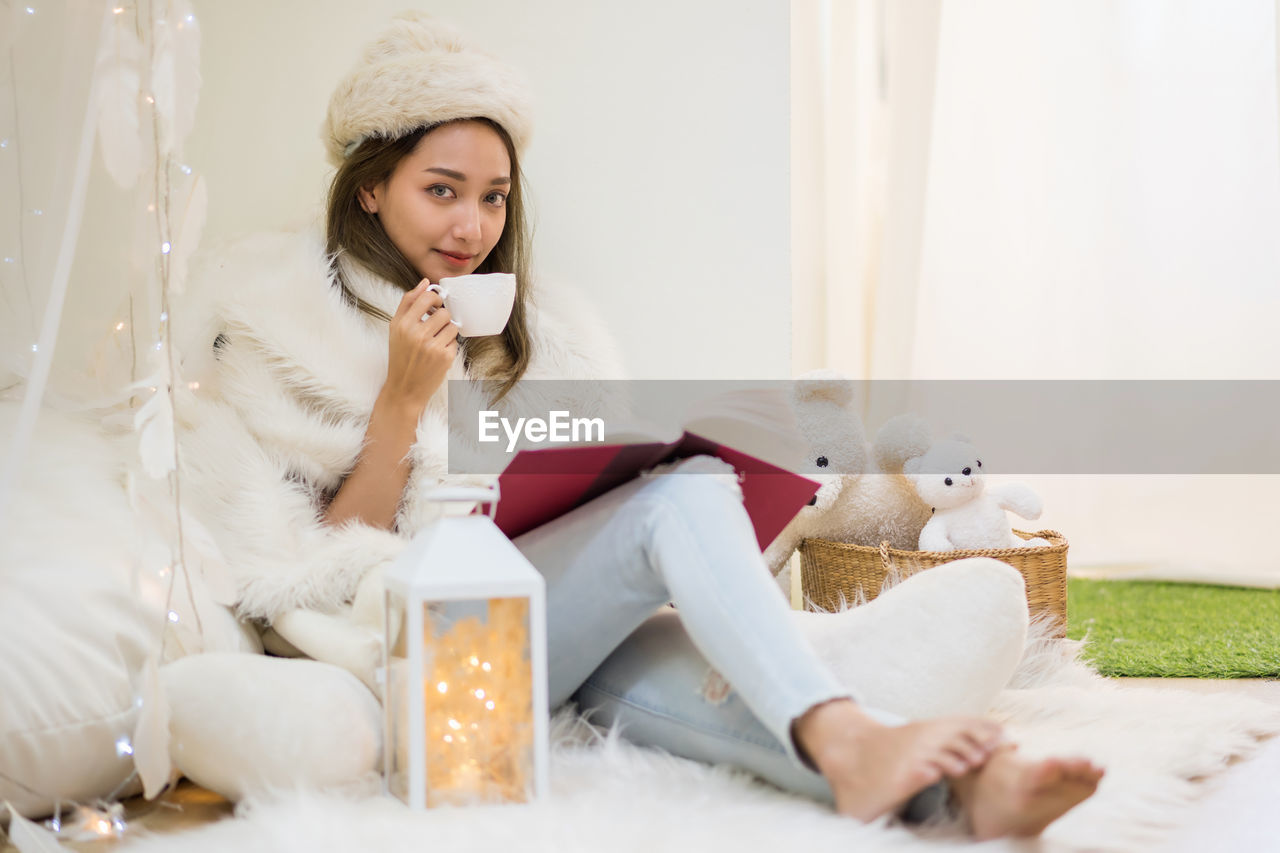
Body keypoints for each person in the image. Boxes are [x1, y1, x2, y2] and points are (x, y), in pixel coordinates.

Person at [175, 12, 1103, 838]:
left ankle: (966, 790)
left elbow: (571, 500)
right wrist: (401, 405)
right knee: (684, 502)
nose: (472, 225)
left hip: (549, 624)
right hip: (422, 643)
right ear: (372, 188)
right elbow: (310, 569)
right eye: (443, 189)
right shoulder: (275, 322)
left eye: (494, 196)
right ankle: (858, 728)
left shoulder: (544, 335)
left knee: (715, 687)